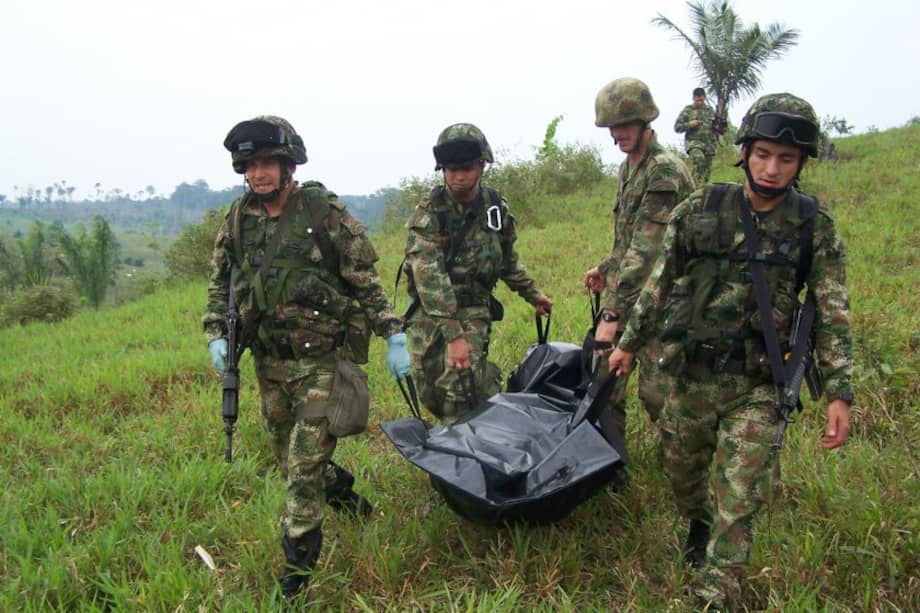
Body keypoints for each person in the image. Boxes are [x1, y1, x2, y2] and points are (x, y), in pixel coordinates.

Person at [608, 93, 854, 609]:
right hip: (692, 374)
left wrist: (839, 393)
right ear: (744, 150)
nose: (772, 168)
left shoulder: (814, 226)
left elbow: (831, 313)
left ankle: (715, 593)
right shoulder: (700, 209)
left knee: (740, 494)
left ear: (803, 162)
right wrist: (627, 344)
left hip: (761, 383)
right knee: (680, 471)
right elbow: (658, 281)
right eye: (763, 154)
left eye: (787, 159)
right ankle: (698, 523)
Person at [203, 115, 411, 600]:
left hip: (321, 362)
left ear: (289, 163)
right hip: (268, 364)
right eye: (251, 165)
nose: (259, 174)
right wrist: (216, 332)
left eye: (268, 163)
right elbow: (220, 284)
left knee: (301, 470)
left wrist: (392, 334)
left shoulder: (321, 211)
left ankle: (294, 580)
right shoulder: (237, 220)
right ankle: (346, 496)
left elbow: (364, 280)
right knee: (288, 461)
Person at [402, 123, 552, 422]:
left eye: (466, 168)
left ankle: (463, 456)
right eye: (450, 169)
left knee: (459, 391)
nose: (458, 177)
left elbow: (507, 258)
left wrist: (532, 294)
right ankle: (480, 412)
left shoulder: (495, 208)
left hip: (472, 308)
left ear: (482, 165)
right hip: (430, 313)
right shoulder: (430, 211)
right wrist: (450, 333)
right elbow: (429, 277)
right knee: (430, 389)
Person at [583, 77, 694, 441]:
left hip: (665, 299)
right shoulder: (628, 167)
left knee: (657, 394)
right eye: (612, 126)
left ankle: (684, 463)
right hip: (630, 291)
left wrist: (611, 315)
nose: (618, 133)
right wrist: (605, 267)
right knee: (603, 381)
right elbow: (629, 241)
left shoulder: (663, 170)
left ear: (646, 121)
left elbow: (649, 252)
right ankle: (610, 465)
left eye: (626, 124)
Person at [674, 87, 721, 185]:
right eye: (697, 100)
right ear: (693, 98)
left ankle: (700, 189)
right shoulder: (688, 110)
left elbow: (718, 128)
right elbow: (677, 127)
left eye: (701, 100)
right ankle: (692, 186)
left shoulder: (710, 110)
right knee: (699, 160)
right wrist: (689, 125)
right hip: (694, 143)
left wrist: (718, 126)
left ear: (704, 98)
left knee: (706, 174)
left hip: (709, 145)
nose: (699, 102)